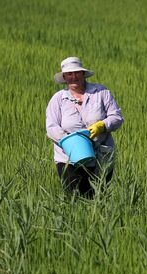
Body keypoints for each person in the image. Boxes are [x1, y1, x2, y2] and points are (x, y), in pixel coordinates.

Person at [46, 57, 124, 198]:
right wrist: (70, 141)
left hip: (101, 154)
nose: (73, 77)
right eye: (69, 74)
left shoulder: (101, 92)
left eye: (77, 73)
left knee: (99, 197)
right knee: (74, 197)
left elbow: (117, 117)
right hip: (67, 157)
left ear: (83, 74)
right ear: (64, 77)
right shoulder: (58, 99)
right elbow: (51, 127)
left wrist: (103, 125)